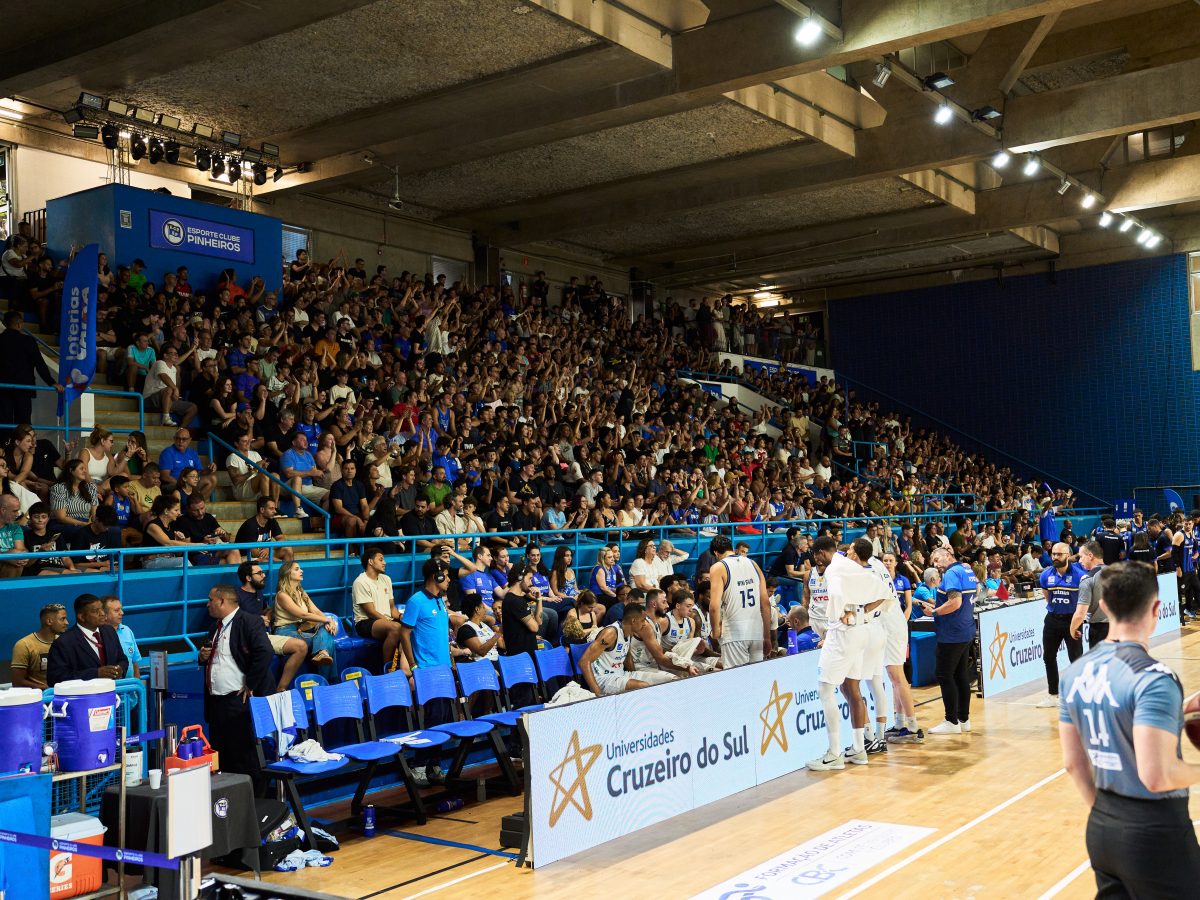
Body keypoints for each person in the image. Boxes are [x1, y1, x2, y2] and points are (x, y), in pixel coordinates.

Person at [1059, 562, 1200, 896]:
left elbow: (1073, 764)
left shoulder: (1075, 672)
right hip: (1155, 831)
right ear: (1156, 608)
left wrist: (1108, 814)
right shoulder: (1154, 679)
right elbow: (1157, 777)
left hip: (1102, 827)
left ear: (1104, 606)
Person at [199, 584, 274, 792]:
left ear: (222, 601)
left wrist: (251, 683)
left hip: (238, 702)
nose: (207, 604)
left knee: (244, 756)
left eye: (210, 600)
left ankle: (256, 800)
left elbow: (265, 652)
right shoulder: (215, 627)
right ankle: (229, 800)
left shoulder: (249, 621)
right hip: (216, 703)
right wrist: (202, 657)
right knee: (223, 756)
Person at [399, 558, 454, 786]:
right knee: (432, 719)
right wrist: (413, 666)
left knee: (443, 720)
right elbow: (404, 634)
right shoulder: (416, 601)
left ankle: (434, 765)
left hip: (444, 669)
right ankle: (419, 765)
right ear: (435, 576)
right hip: (427, 670)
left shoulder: (440, 600)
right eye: (446, 576)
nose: (449, 580)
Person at [919, 547, 978, 735]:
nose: (935, 565)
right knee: (961, 676)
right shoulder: (966, 570)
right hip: (965, 630)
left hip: (952, 633)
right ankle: (963, 719)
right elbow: (976, 591)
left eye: (937, 560)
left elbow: (955, 602)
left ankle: (951, 720)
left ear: (948, 555)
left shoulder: (952, 573)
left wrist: (934, 612)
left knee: (945, 675)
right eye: (933, 562)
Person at [236, 561, 305, 691]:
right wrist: (257, 620)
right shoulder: (236, 595)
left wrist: (267, 616)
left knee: (301, 646)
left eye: (263, 572)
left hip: (265, 635)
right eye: (259, 573)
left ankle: (281, 689)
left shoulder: (258, 593)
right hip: (248, 638)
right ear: (248, 578)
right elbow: (234, 620)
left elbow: (266, 609)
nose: (264, 575)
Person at [707, 534, 771, 668]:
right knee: (756, 676)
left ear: (716, 553)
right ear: (731, 548)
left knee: (736, 679)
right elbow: (765, 604)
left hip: (734, 633)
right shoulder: (753, 564)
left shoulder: (718, 567)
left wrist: (716, 631)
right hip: (756, 631)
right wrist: (767, 636)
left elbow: (714, 606)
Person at [1036, 541, 1086, 708]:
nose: (1055, 557)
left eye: (1059, 554)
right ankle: (1053, 695)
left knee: (1076, 658)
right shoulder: (1045, 575)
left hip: (1072, 621)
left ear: (1068, 555)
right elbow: (1047, 597)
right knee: (1048, 657)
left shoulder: (1080, 575)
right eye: (1054, 554)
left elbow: (1084, 601)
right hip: (1052, 620)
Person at [879, 552, 922, 744]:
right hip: (891, 628)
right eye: (885, 560)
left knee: (898, 677)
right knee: (895, 678)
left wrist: (902, 623)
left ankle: (912, 727)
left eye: (890, 560)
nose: (887, 563)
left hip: (896, 629)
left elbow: (908, 606)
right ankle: (899, 723)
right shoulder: (880, 576)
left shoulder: (899, 579)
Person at [273, 560, 337, 678]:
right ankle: (329, 680)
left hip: (301, 629)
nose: (301, 571)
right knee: (328, 641)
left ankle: (323, 654)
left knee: (326, 629)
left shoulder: (301, 592)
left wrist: (329, 621)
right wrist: (326, 620)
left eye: (300, 568)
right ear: (287, 573)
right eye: (297, 569)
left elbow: (316, 611)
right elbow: (302, 615)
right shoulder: (282, 595)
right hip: (285, 632)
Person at [47, 593, 129, 685]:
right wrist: (96, 674)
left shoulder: (109, 631)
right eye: (96, 611)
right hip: (83, 693)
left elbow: (122, 659)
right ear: (82, 617)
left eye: (102, 609)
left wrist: (120, 669)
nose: (102, 614)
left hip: (112, 691)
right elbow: (55, 678)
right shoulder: (64, 643)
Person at [0, 309, 61, 429]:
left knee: (3, 422)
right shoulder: (28, 341)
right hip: (24, 388)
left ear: (5, 324)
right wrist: (51, 382)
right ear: (19, 324)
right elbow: (39, 364)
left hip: (2, 388)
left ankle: (4, 441)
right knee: (23, 423)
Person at [352, 547, 406, 672]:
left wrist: (401, 617)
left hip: (385, 621)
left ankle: (407, 667)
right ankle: (387, 669)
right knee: (395, 628)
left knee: (409, 626)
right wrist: (391, 622)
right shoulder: (360, 582)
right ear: (370, 562)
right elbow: (370, 612)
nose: (384, 562)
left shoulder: (386, 579)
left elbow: (392, 608)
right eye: (381, 559)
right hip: (365, 622)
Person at [580, 603, 650, 695]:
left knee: (663, 680)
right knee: (643, 686)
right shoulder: (611, 633)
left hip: (620, 674)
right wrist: (598, 695)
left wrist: (634, 675)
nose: (645, 624)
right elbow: (584, 662)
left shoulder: (628, 632)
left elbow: (627, 655)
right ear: (633, 621)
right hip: (604, 679)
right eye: (643, 620)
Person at [11, 602, 69, 689]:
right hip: (37, 695)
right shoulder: (24, 645)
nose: (67, 622)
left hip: (63, 692)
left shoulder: (64, 642)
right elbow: (17, 682)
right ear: (49, 621)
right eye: (62, 619)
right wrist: (47, 689)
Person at [1069, 540, 1108, 649]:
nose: (1080, 561)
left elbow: (1080, 613)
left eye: (1081, 557)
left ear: (1090, 556)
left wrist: (1072, 629)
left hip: (1100, 630)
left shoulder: (1088, 579)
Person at [234, 496, 286, 562]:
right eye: (271, 509)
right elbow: (253, 553)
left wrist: (269, 548)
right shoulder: (250, 525)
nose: (275, 511)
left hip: (264, 553)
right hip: (246, 557)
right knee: (266, 561)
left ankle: (290, 568)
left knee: (287, 549)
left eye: (274, 509)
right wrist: (274, 559)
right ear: (262, 510)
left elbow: (282, 539)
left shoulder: (272, 521)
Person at [102, 595, 142, 677]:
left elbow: (135, 662)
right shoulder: (98, 635)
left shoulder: (127, 631)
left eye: (121, 609)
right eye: (116, 610)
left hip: (131, 684)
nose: (122, 613)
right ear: (105, 614)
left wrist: (137, 682)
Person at [457, 593, 503, 661]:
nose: (485, 610)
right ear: (477, 609)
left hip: (497, 660)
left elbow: (502, 645)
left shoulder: (485, 625)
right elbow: (481, 651)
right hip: (482, 664)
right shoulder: (466, 629)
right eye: (483, 607)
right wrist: (498, 633)